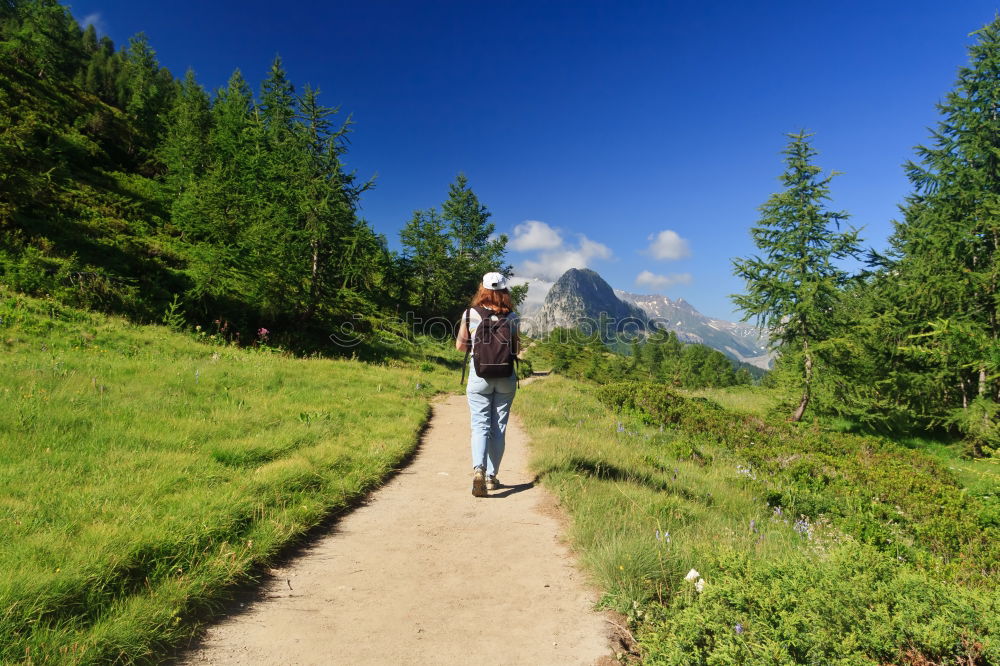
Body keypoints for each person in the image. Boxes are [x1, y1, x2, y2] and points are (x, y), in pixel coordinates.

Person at [455, 272, 519, 497]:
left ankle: (479, 471)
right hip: (505, 377)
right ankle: (492, 477)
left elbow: (460, 347)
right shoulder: (512, 317)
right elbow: (516, 350)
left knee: (480, 424)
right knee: (498, 427)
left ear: (481, 289)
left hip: (479, 376)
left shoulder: (470, 313)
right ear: (504, 291)